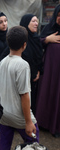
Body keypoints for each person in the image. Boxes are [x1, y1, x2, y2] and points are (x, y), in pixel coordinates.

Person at [0, 26, 39, 150]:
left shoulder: (2, 62)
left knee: (4, 145)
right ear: (24, 45)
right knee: (34, 143)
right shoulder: (22, 65)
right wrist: (28, 122)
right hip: (19, 117)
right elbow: (24, 95)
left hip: (4, 115)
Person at [36, 4, 60, 138]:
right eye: (58, 15)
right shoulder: (48, 29)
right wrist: (47, 39)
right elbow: (36, 42)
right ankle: (45, 123)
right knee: (49, 92)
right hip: (50, 70)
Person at [19, 14, 43, 114]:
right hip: (22, 76)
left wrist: (38, 71)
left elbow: (38, 57)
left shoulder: (36, 38)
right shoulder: (20, 39)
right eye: (33, 21)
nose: (36, 23)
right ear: (26, 23)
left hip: (34, 77)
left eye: (37, 21)